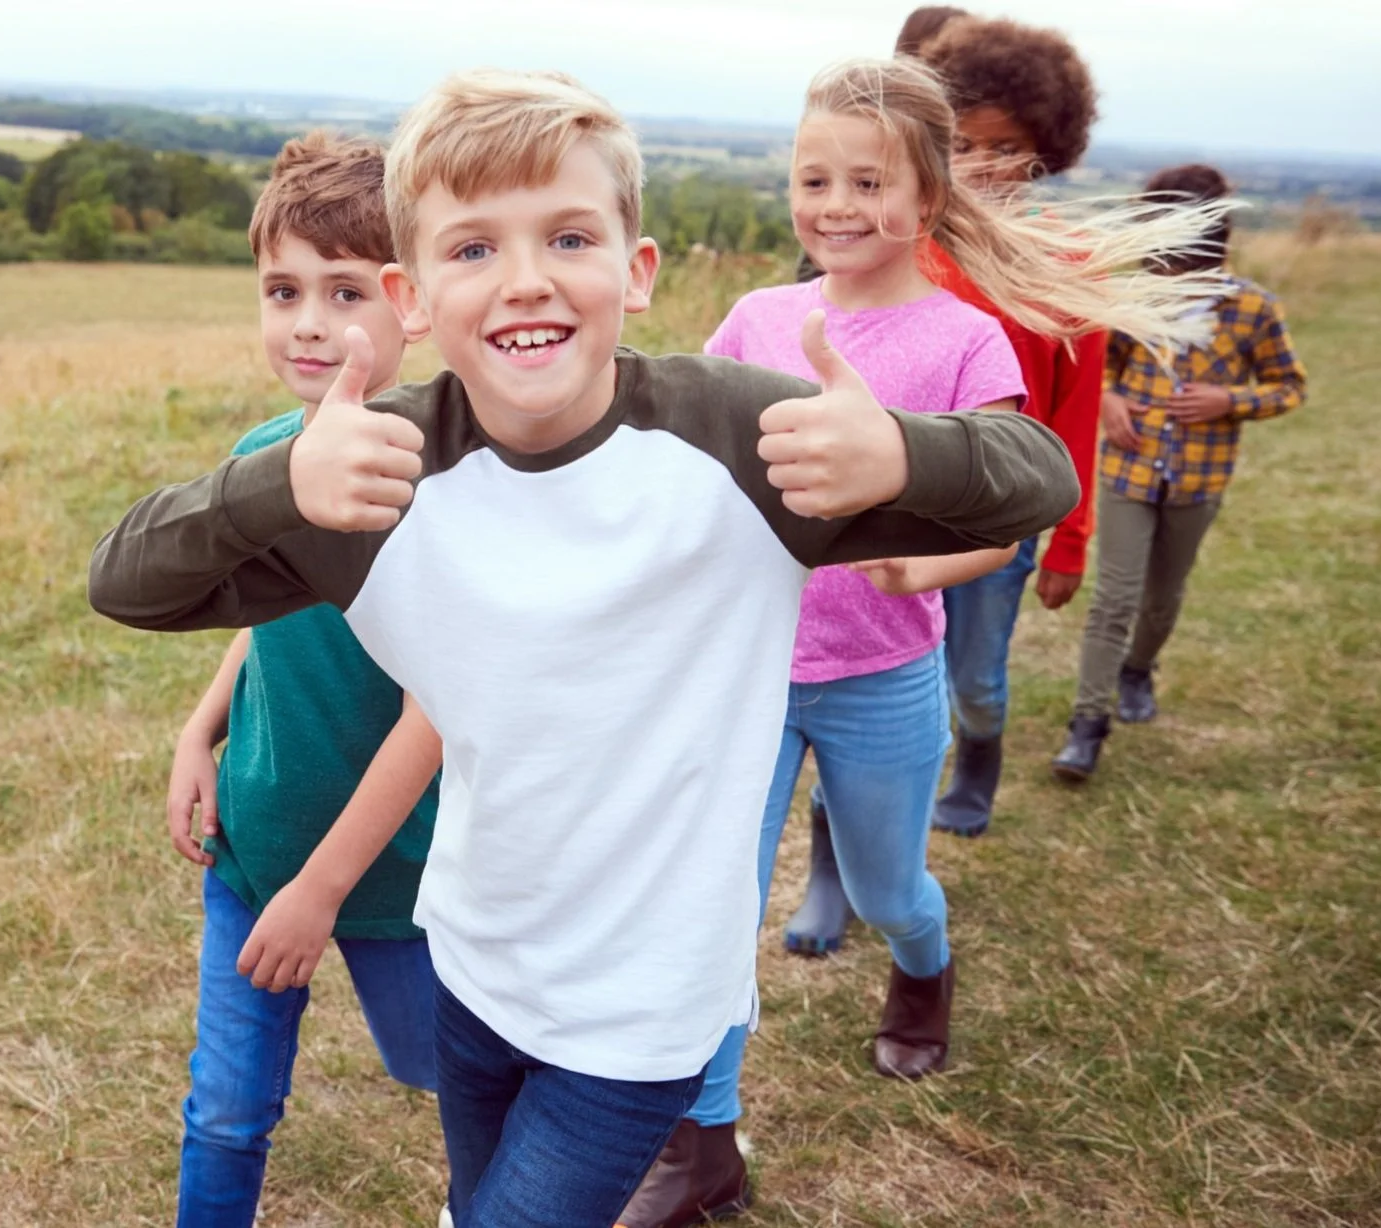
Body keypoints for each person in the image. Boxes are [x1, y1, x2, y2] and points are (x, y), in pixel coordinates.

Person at [92, 68, 1083, 1226]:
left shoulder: (735, 439)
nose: (524, 280)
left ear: (637, 269)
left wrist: (907, 456)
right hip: (473, 963)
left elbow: (1040, 479)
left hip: (645, 1007)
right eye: (472, 250)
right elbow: (131, 582)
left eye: (568, 235)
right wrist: (276, 484)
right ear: (412, 296)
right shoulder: (377, 475)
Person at [619, 59, 1237, 1228]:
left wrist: (917, 563)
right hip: (746, 678)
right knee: (708, 913)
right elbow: (685, 472)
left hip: (883, 679)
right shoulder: (755, 319)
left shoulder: (967, 343)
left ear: (927, 193)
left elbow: (1005, 518)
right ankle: (702, 1149)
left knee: (895, 884)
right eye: (814, 177)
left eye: (866, 179)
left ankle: (920, 968)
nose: (836, 203)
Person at [161, 130, 445, 1228]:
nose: (311, 323)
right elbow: (269, 616)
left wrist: (322, 891)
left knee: (452, 1076)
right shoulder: (266, 452)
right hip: (255, 838)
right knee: (226, 1111)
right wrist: (200, 733)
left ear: (410, 302)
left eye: (345, 291)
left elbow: (436, 710)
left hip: (398, 878)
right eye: (283, 290)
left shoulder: (440, 483)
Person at [905, 14, 1108, 841]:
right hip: (904, 503)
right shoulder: (904, 248)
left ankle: (979, 760)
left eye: (1007, 146)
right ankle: (887, 798)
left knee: (977, 678)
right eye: (965, 145)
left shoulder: (1070, 265)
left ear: (1047, 150)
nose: (985, 165)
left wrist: (1070, 539)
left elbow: (1076, 411)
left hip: (1003, 518)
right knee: (899, 672)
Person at [1052, 163, 1309, 781]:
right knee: (1113, 598)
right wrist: (1110, 401)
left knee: (1161, 600)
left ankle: (1139, 669)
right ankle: (1087, 726)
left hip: (1198, 479)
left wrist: (1231, 401)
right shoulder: (1131, 300)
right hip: (1129, 473)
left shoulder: (1252, 310)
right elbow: (1099, 368)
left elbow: (1289, 387)